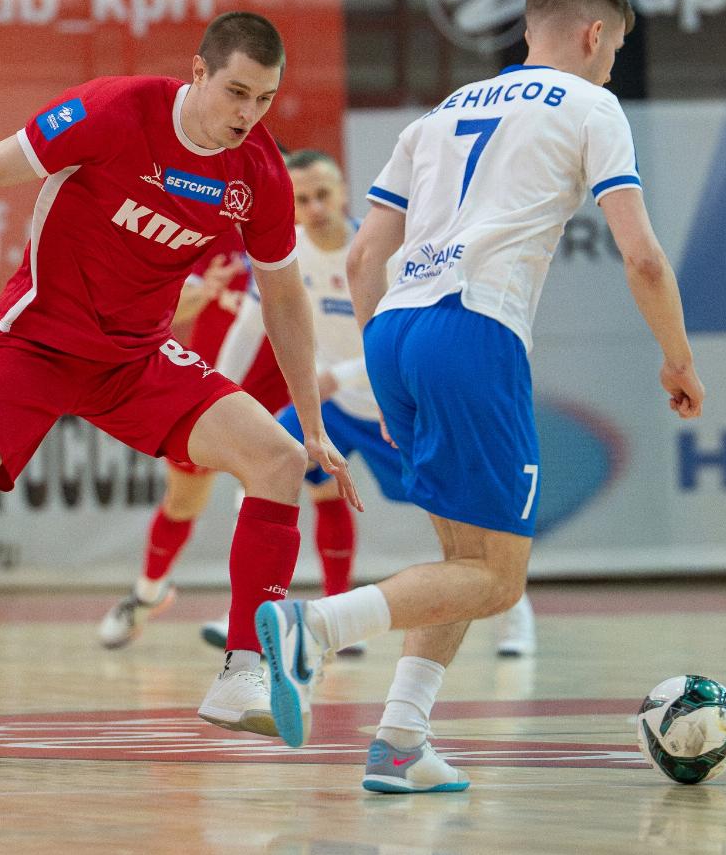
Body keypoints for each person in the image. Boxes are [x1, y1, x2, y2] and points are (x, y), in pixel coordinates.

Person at [0, 11, 360, 746]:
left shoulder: (257, 171)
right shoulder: (115, 109)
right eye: (236, 92)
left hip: (135, 358)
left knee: (280, 459)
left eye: (264, 99)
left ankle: (242, 671)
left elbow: (284, 297)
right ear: (198, 72)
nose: (248, 114)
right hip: (33, 344)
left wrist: (312, 424)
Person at [255, 0, 705, 793]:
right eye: (613, 51)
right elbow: (642, 256)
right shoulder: (592, 106)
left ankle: (399, 741)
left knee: (461, 556)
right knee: (497, 579)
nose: (611, 66)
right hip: (474, 329)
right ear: (594, 35)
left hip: (394, 332)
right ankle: (312, 626)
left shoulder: (440, 113)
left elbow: (363, 257)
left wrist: (386, 378)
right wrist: (677, 357)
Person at [196, 150, 540, 658]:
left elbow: (400, 341)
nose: (315, 208)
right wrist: (217, 390)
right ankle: (249, 613)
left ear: (343, 193)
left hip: (391, 406)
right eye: (302, 199)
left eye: (323, 195)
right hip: (328, 411)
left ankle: (514, 613)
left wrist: (340, 376)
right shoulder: (284, 254)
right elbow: (249, 330)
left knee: (461, 521)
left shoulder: (384, 254)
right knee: (262, 465)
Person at [94, 238, 291, 649]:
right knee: (182, 504)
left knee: (264, 496)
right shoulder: (216, 235)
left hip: (276, 390)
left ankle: (251, 614)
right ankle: (148, 593)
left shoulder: (301, 244)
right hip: (209, 387)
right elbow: (168, 311)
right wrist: (204, 292)